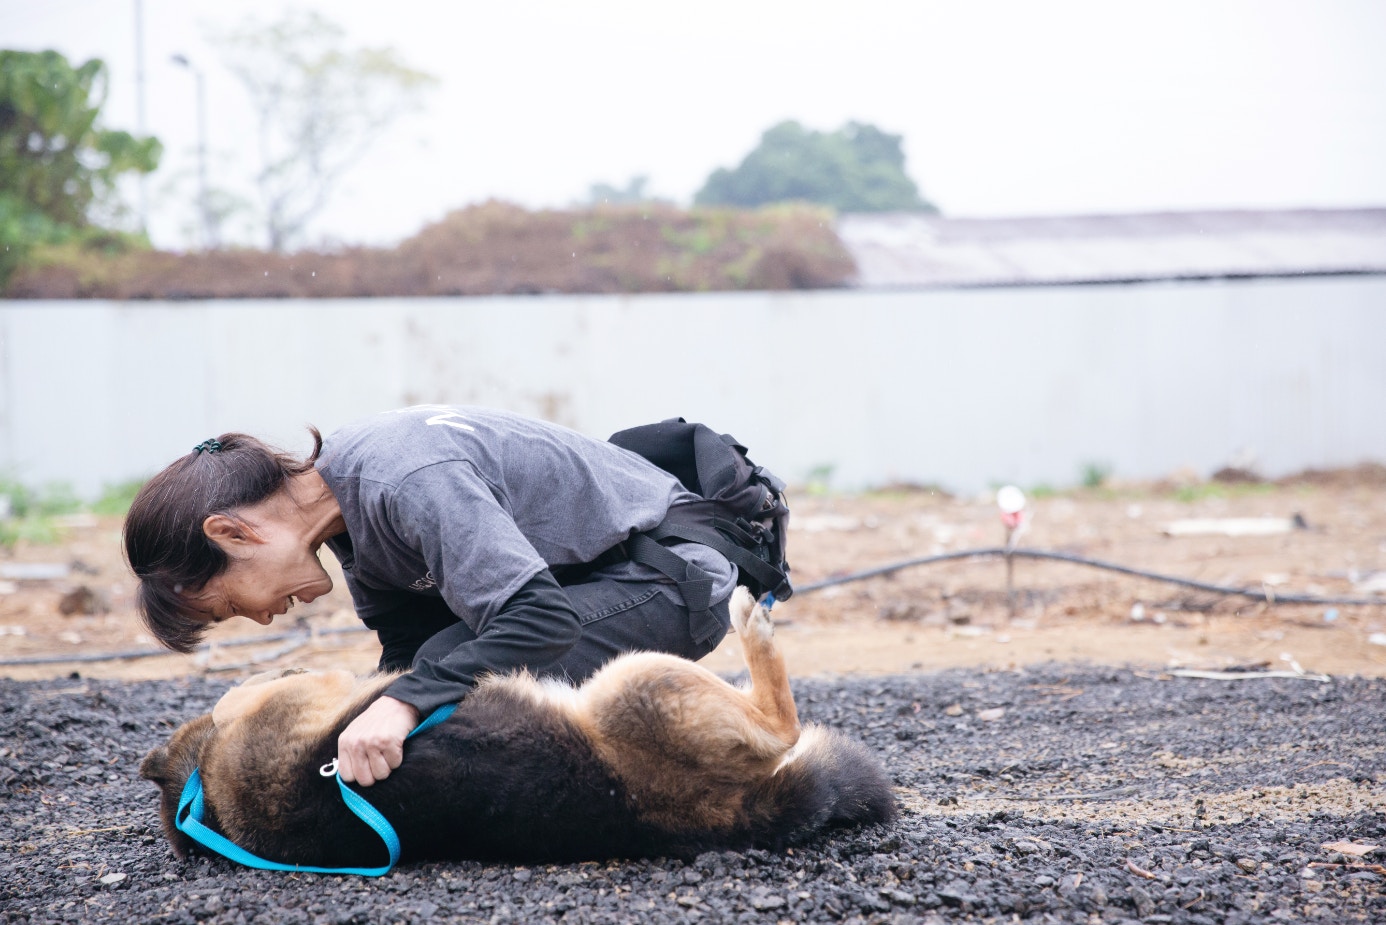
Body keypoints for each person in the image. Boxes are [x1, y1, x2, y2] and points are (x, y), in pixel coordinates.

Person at [124, 405, 737, 787]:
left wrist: (401, 704)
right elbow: (407, 652)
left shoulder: (401, 477)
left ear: (233, 532)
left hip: (672, 574)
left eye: (231, 604)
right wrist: (374, 714)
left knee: (436, 687)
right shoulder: (344, 510)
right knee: (427, 681)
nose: (259, 618)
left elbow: (542, 621)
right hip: (594, 582)